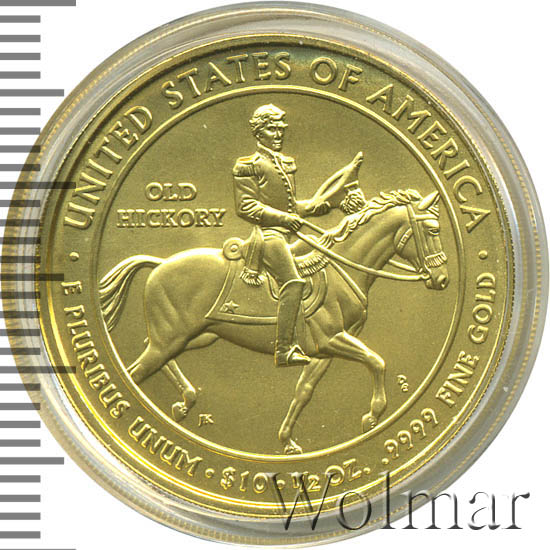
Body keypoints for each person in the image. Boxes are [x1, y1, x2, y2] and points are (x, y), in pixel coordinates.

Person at [232, 104, 330, 367]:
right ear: (258, 132)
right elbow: (246, 207)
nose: (278, 134)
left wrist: (321, 206)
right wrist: (285, 219)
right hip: (268, 235)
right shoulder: (248, 166)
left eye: (280, 129)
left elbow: (290, 206)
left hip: (285, 234)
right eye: (272, 129)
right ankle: (285, 349)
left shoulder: (284, 163)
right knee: (294, 282)